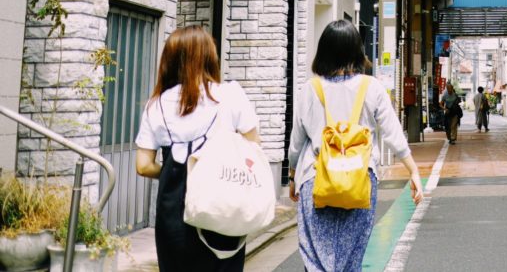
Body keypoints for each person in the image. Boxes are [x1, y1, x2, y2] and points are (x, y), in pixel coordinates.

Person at [287, 20, 422, 271]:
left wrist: (293, 176)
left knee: (316, 259)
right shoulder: (371, 88)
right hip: (360, 182)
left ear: (323, 51)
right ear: (357, 51)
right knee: (350, 259)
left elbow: (296, 141)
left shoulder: (310, 89)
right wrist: (413, 170)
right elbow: (393, 133)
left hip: (315, 180)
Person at [135, 25, 260, 271]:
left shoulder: (156, 105)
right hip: (223, 199)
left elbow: (143, 165)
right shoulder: (231, 95)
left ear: (170, 61)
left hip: (174, 206)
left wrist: (176, 171)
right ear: (209, 57)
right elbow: (253, 146)